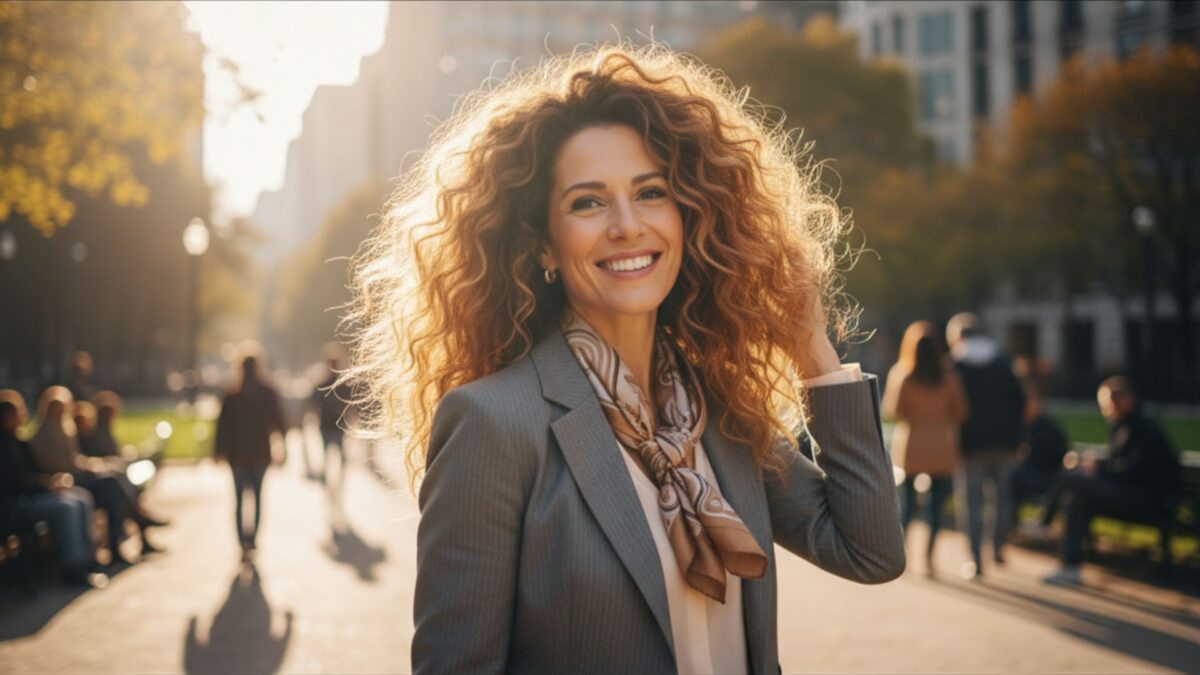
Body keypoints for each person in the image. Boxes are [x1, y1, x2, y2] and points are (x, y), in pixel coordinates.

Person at [342, 44, 905, 674]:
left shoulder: (717, 410)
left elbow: (870, 552)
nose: (627, 225)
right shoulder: (492, 422)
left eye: (651, 192)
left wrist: (813, 354)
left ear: (688, 217)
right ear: (544, 245)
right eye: (588, 202)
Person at [1039, 376, 1182, 585]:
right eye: (1105, 404)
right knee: (1077, 500)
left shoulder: (1142, 427)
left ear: (1127, 399)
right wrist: (1098, 464)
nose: (1107, 409)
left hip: (1147, 500)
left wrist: (1100, 468)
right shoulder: (1124, 425)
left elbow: (1135, 470)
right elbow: (1120, 463)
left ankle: (1044, 523)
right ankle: (1070, 568)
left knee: (1074, 477)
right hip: (1130, 494)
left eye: (1110, 403)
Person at [29, 386, 164, 563]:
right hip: (67, 479)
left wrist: (95, 464)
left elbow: (74, 459)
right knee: (110, 485)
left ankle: (121, 541)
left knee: (114, 483)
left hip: (75, 475)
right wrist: (89, 465)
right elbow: (57, 465)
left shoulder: (63, 428)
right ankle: (134, 524)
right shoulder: (45, 433)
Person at [883, 321, 967, 577]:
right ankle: (930, 559)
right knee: (937, 507)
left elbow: (892, 410)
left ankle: (902, 556)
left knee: (907, 506)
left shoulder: (903, 375)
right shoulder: (949, 377)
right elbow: (962, 411)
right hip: (941, 445)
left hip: (911, 445)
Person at [945, 312, 1025, 579]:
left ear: (957, 336)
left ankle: (976, 560)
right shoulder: (1003, 362)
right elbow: (1019, 402)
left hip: (969, 443)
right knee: (1001, 497)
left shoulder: (954, 365)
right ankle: (999, 546)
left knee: (971, 501)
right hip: (1003, 440)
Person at [1, 394, 108, 587]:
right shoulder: (5, 445)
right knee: (67, 507)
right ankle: (72, 567)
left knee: (82, 497)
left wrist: (51, 480)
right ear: (6, 417)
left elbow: (34, 470)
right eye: (18, 412)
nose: (23, 415)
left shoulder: (18, 440)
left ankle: (86, 558)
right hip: (18, 503)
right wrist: (46, 483)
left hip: (34, 493)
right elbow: (14, 482)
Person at [214, 350, 287, 561]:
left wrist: (218, 452)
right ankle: (252, 539)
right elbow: (278, 422)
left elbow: (222, 426)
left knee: (238, 500)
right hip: (260, 454)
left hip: (237, 454)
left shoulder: (231, 393)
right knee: (257, 498)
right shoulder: (267, 392)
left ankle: (242, 543)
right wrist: (283, 447)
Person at [1008, 380, 1069, 522]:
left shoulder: (1049, 429)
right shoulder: (1022, 426)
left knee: (1011, 477)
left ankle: (1011, 523)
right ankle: (1009, 522)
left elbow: (1053, 460)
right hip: (1029, 476)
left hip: (1045, 479)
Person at [310, 342, 355, 493]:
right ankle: (331, 481)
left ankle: (337, 482)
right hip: (327, 425)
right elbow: (313, 404)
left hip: (337, 425)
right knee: (330, 455)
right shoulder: (324, 384)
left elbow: (351, 405)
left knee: (338, 455)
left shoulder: (342, 384)